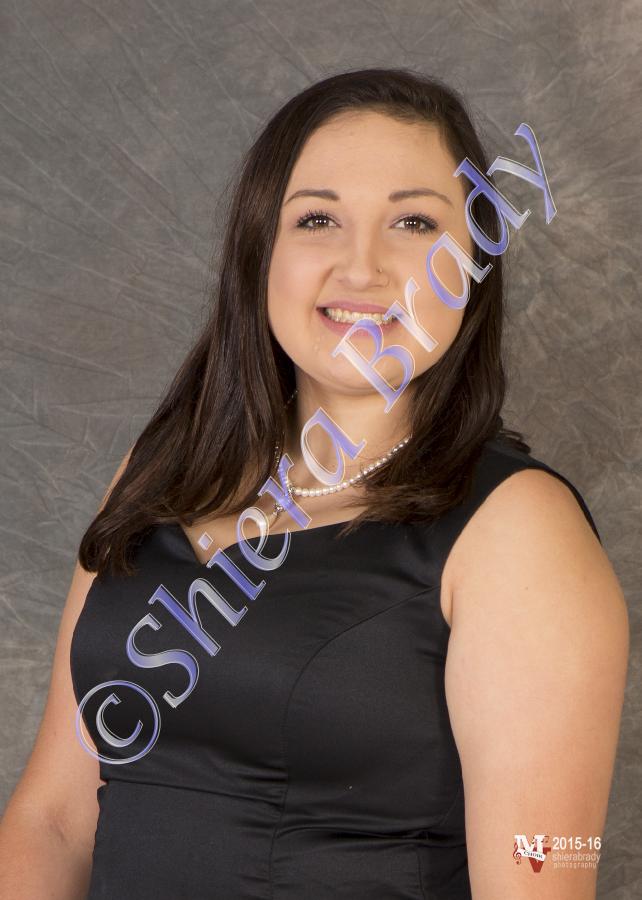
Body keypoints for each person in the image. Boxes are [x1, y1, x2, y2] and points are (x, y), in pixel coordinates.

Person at [0, 67, 629, 900]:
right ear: (260, 250)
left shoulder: (521, 531)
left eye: (413, 222)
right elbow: (53, 821)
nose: (361, 269)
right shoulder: (159, 474)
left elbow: (539, 880)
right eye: (318, 219)